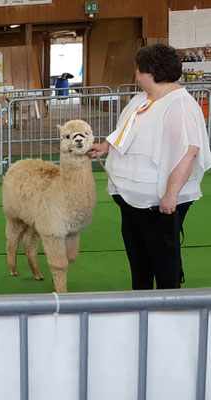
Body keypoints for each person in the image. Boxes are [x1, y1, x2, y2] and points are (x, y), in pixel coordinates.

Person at [87, 43, 211, 290]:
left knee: (164, 261)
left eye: (137, 69)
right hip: (131, 198)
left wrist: (171, 194)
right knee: (139, 258)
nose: (135, 73)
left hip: (158, 203)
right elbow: (129, 130)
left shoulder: (180, 104)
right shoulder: (142, 99)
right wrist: (105, 146)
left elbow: (190, 151)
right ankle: (141, 305)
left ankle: (168, 310)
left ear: (150, 74)